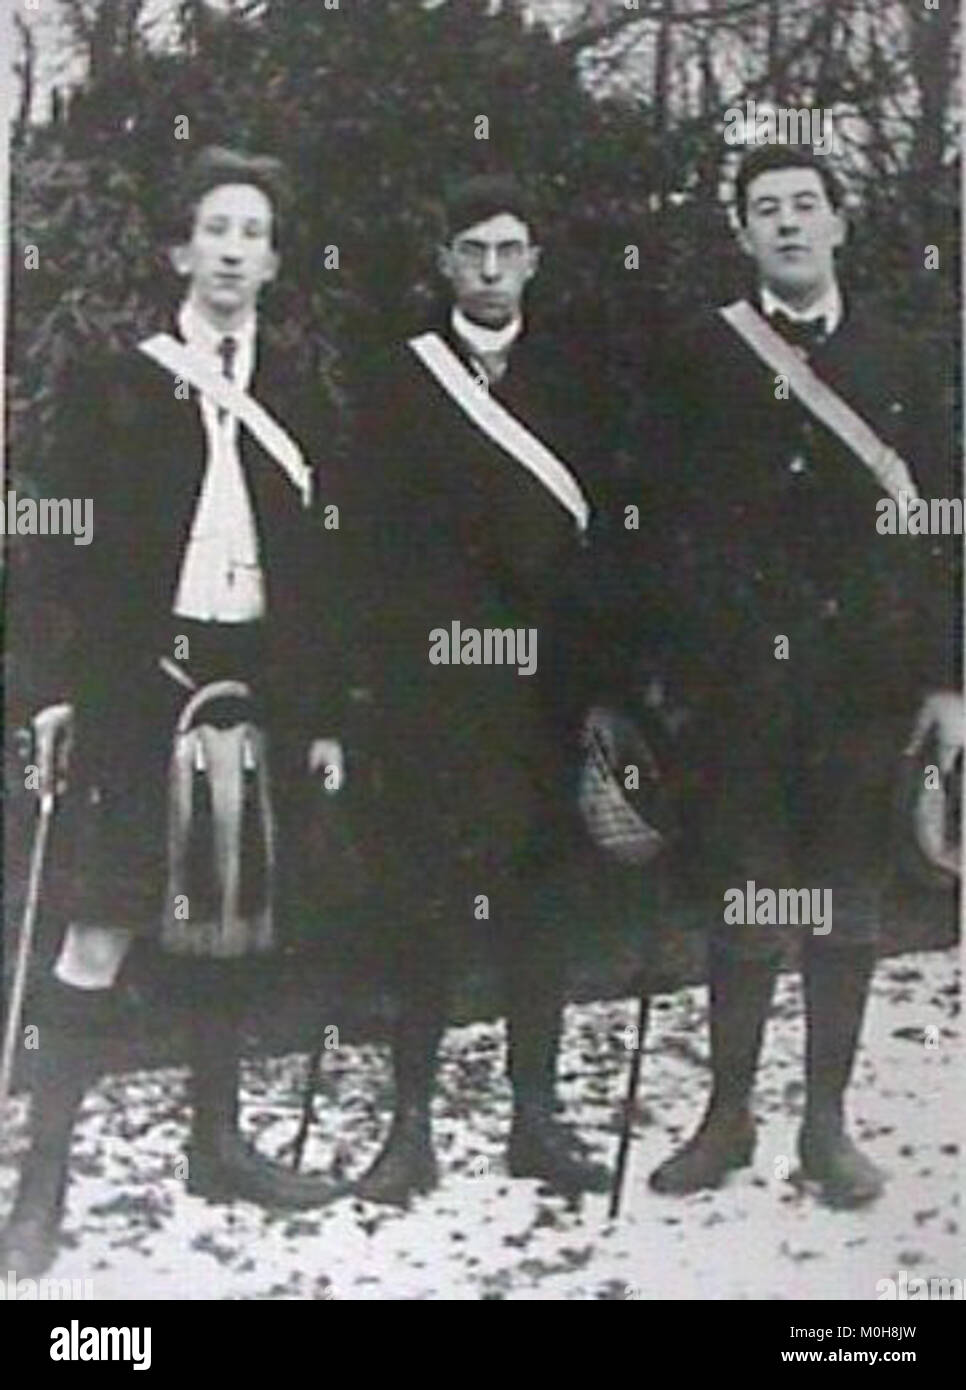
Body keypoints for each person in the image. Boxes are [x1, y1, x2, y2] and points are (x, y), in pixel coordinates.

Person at [1, 146, 343, 1277]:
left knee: (227, 915)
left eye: (256, 232)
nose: (236, 250)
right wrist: (51, 689)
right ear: (180, 251)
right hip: (137, 678)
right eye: (217, 229)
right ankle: (39, 1185)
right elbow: (55, 542)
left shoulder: (298, 389)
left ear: (275, 260)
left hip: (252, 679)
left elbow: (325, 561)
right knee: (99, 923)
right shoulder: (119, 380)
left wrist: (325, 709)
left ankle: (217, 1144)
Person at [618, 144, 960, 1206]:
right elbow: (660, 519)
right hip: (740, 684)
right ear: (744, 232)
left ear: (841, 222)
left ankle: (825, 1122)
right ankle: (727, 1117)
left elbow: (947, 521)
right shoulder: (700, 355)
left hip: (864, 679)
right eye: (766, 209)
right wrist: (674, 664)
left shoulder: (906, 359)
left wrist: (950, 679)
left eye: (806, 206)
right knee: (749, 893)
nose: (789, 225)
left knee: (846, 898)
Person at [335, 173, 611, 1205]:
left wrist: (600, 679)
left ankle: (533, 1116)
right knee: (426, 903)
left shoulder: (577, 379)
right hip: (432, 688)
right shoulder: (395, 380)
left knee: (540, 901)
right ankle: (410, 1127)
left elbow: (604, 538)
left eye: (509, 250)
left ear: (533, 260)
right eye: (472, 251)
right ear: (445, 263)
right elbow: (367, 543)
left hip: (544, 688)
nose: (491, 269)